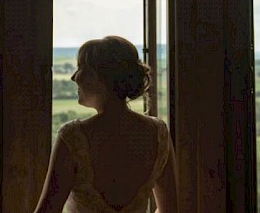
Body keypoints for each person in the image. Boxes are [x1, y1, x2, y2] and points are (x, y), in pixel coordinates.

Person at [33, 36, 177, 213]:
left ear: (101, 78)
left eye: (81, 68)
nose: (73, 77)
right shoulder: (158, 133)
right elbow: (170, 209)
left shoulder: (73, 137)